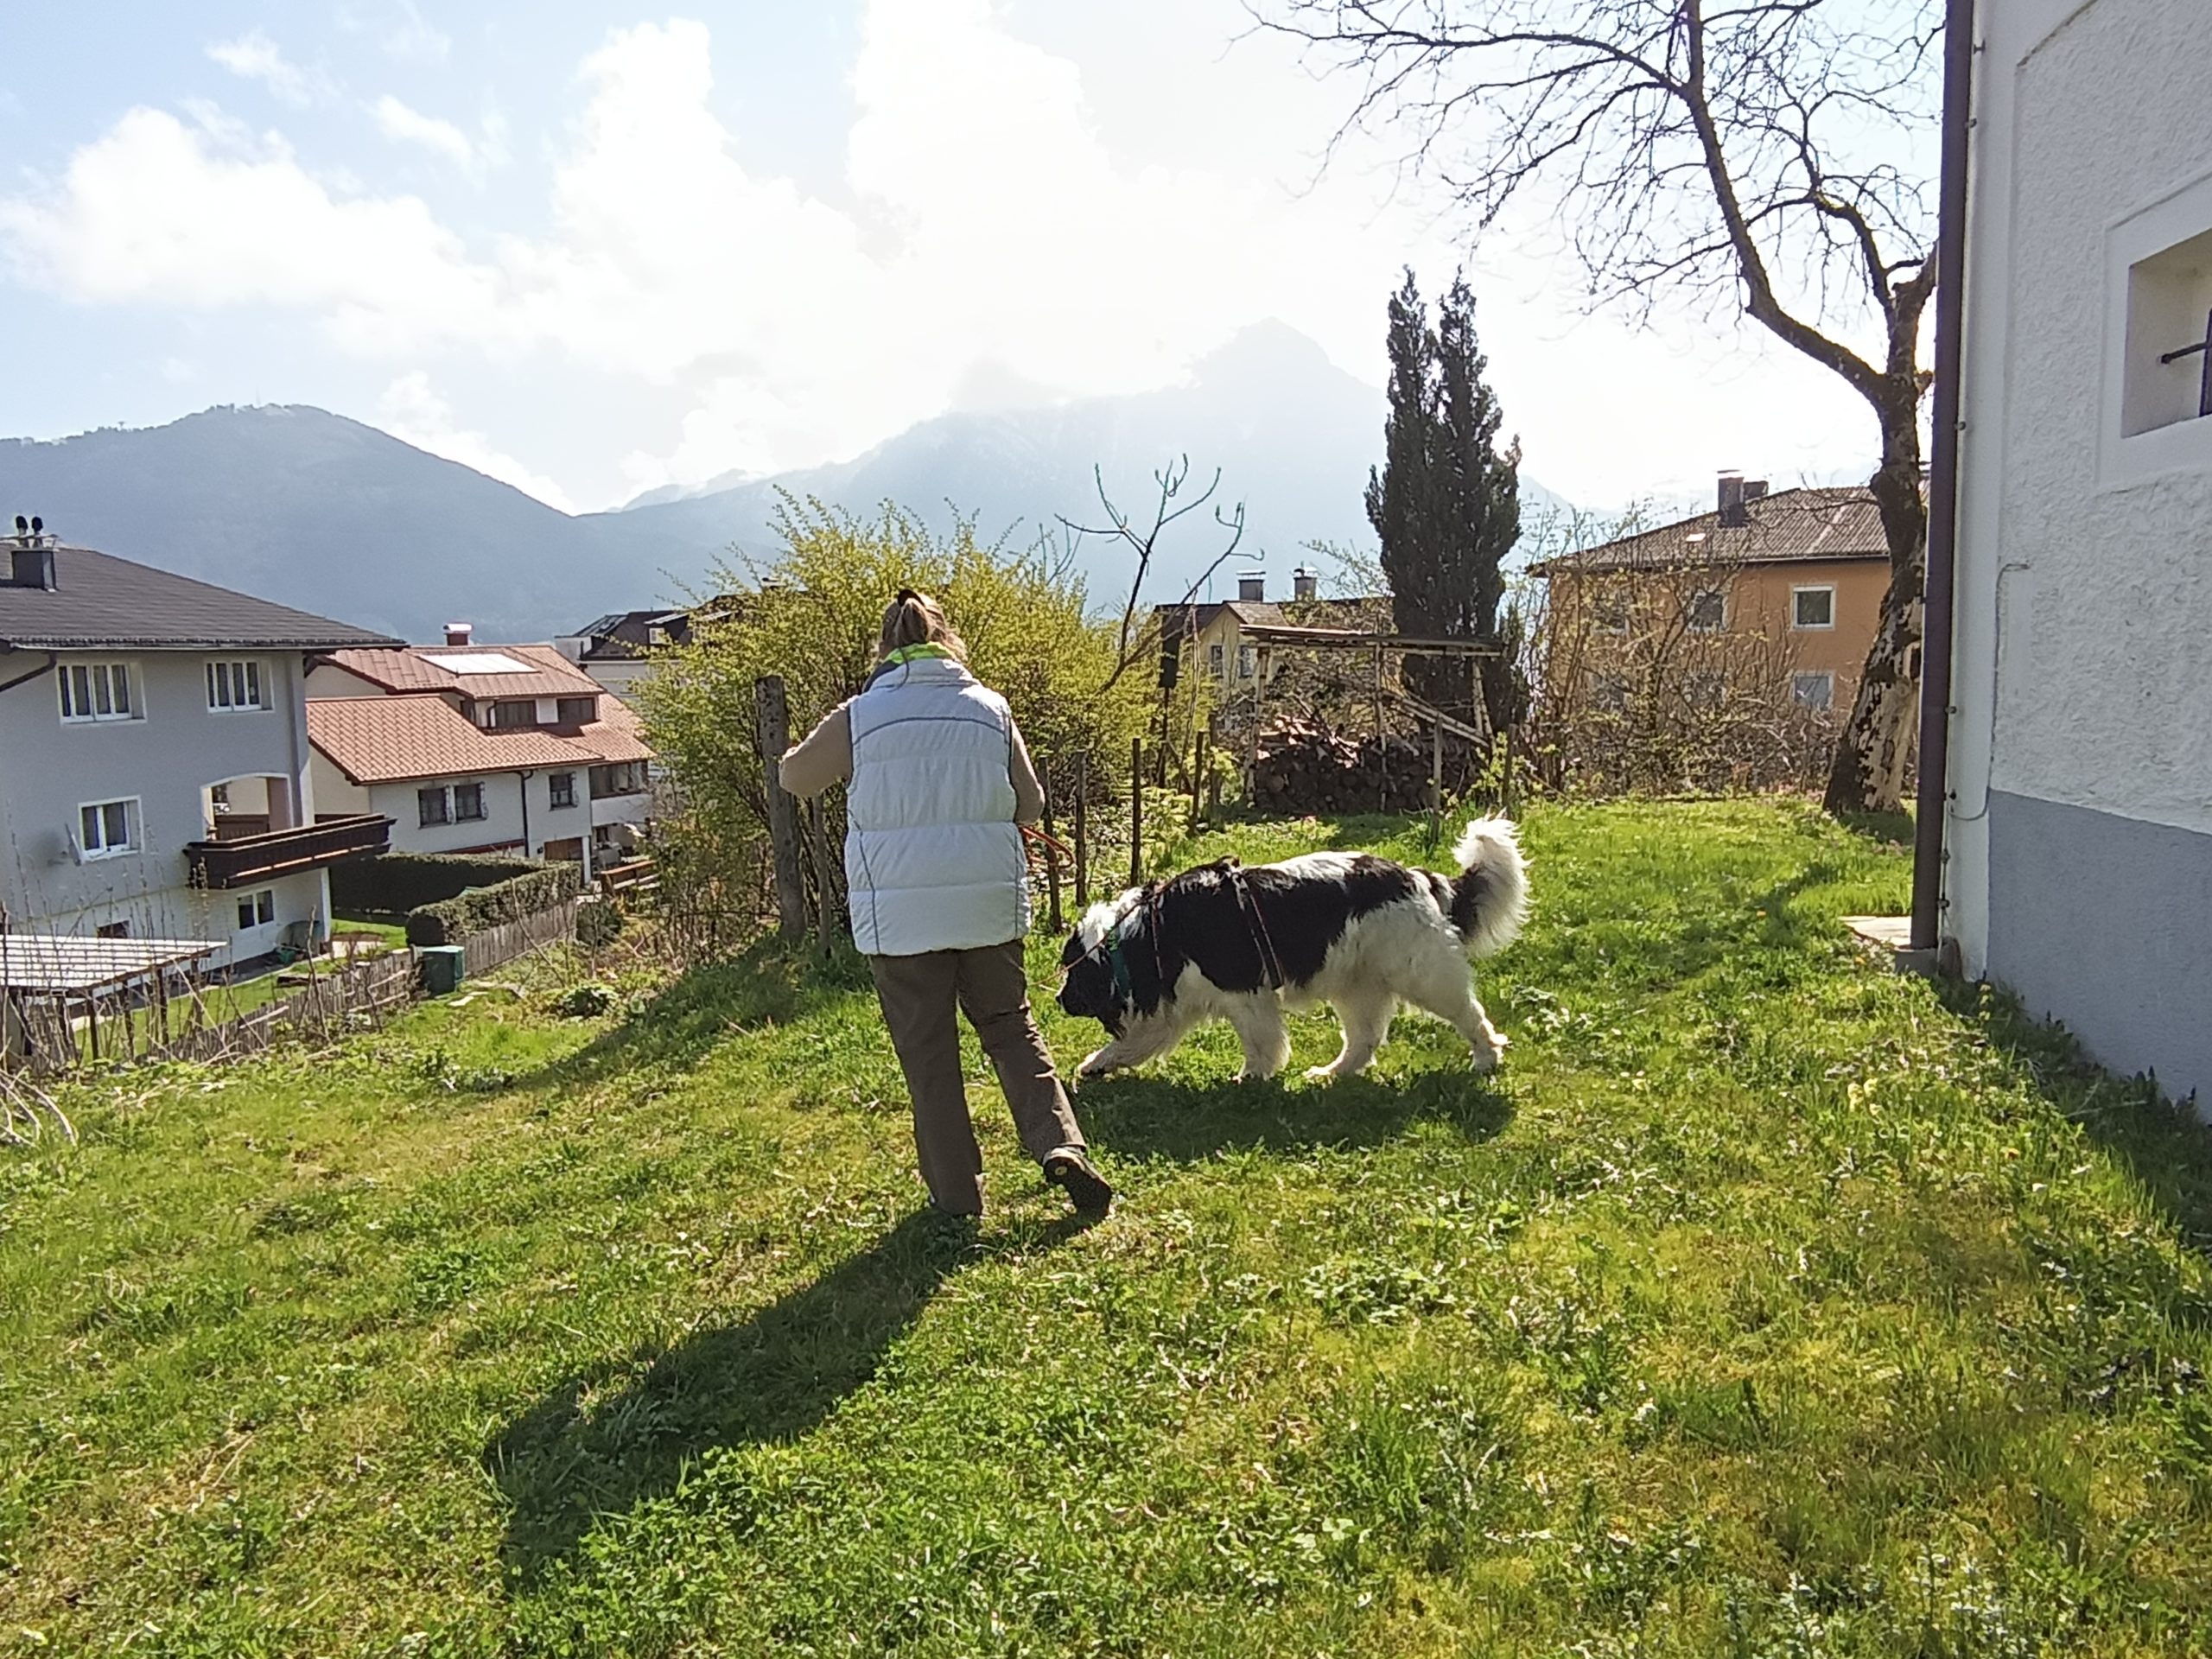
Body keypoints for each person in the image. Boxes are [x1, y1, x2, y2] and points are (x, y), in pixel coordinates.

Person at [779, 589, 1114, 1220]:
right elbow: (1031, 803)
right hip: (987, 907)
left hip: (901, 921)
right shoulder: (990, 709)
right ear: (948, 641)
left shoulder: (861, 715)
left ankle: (958, 1199)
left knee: (929, 1054)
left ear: (885, 648)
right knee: (1011, 1028)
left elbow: (796, 779)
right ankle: (1060, 1143)